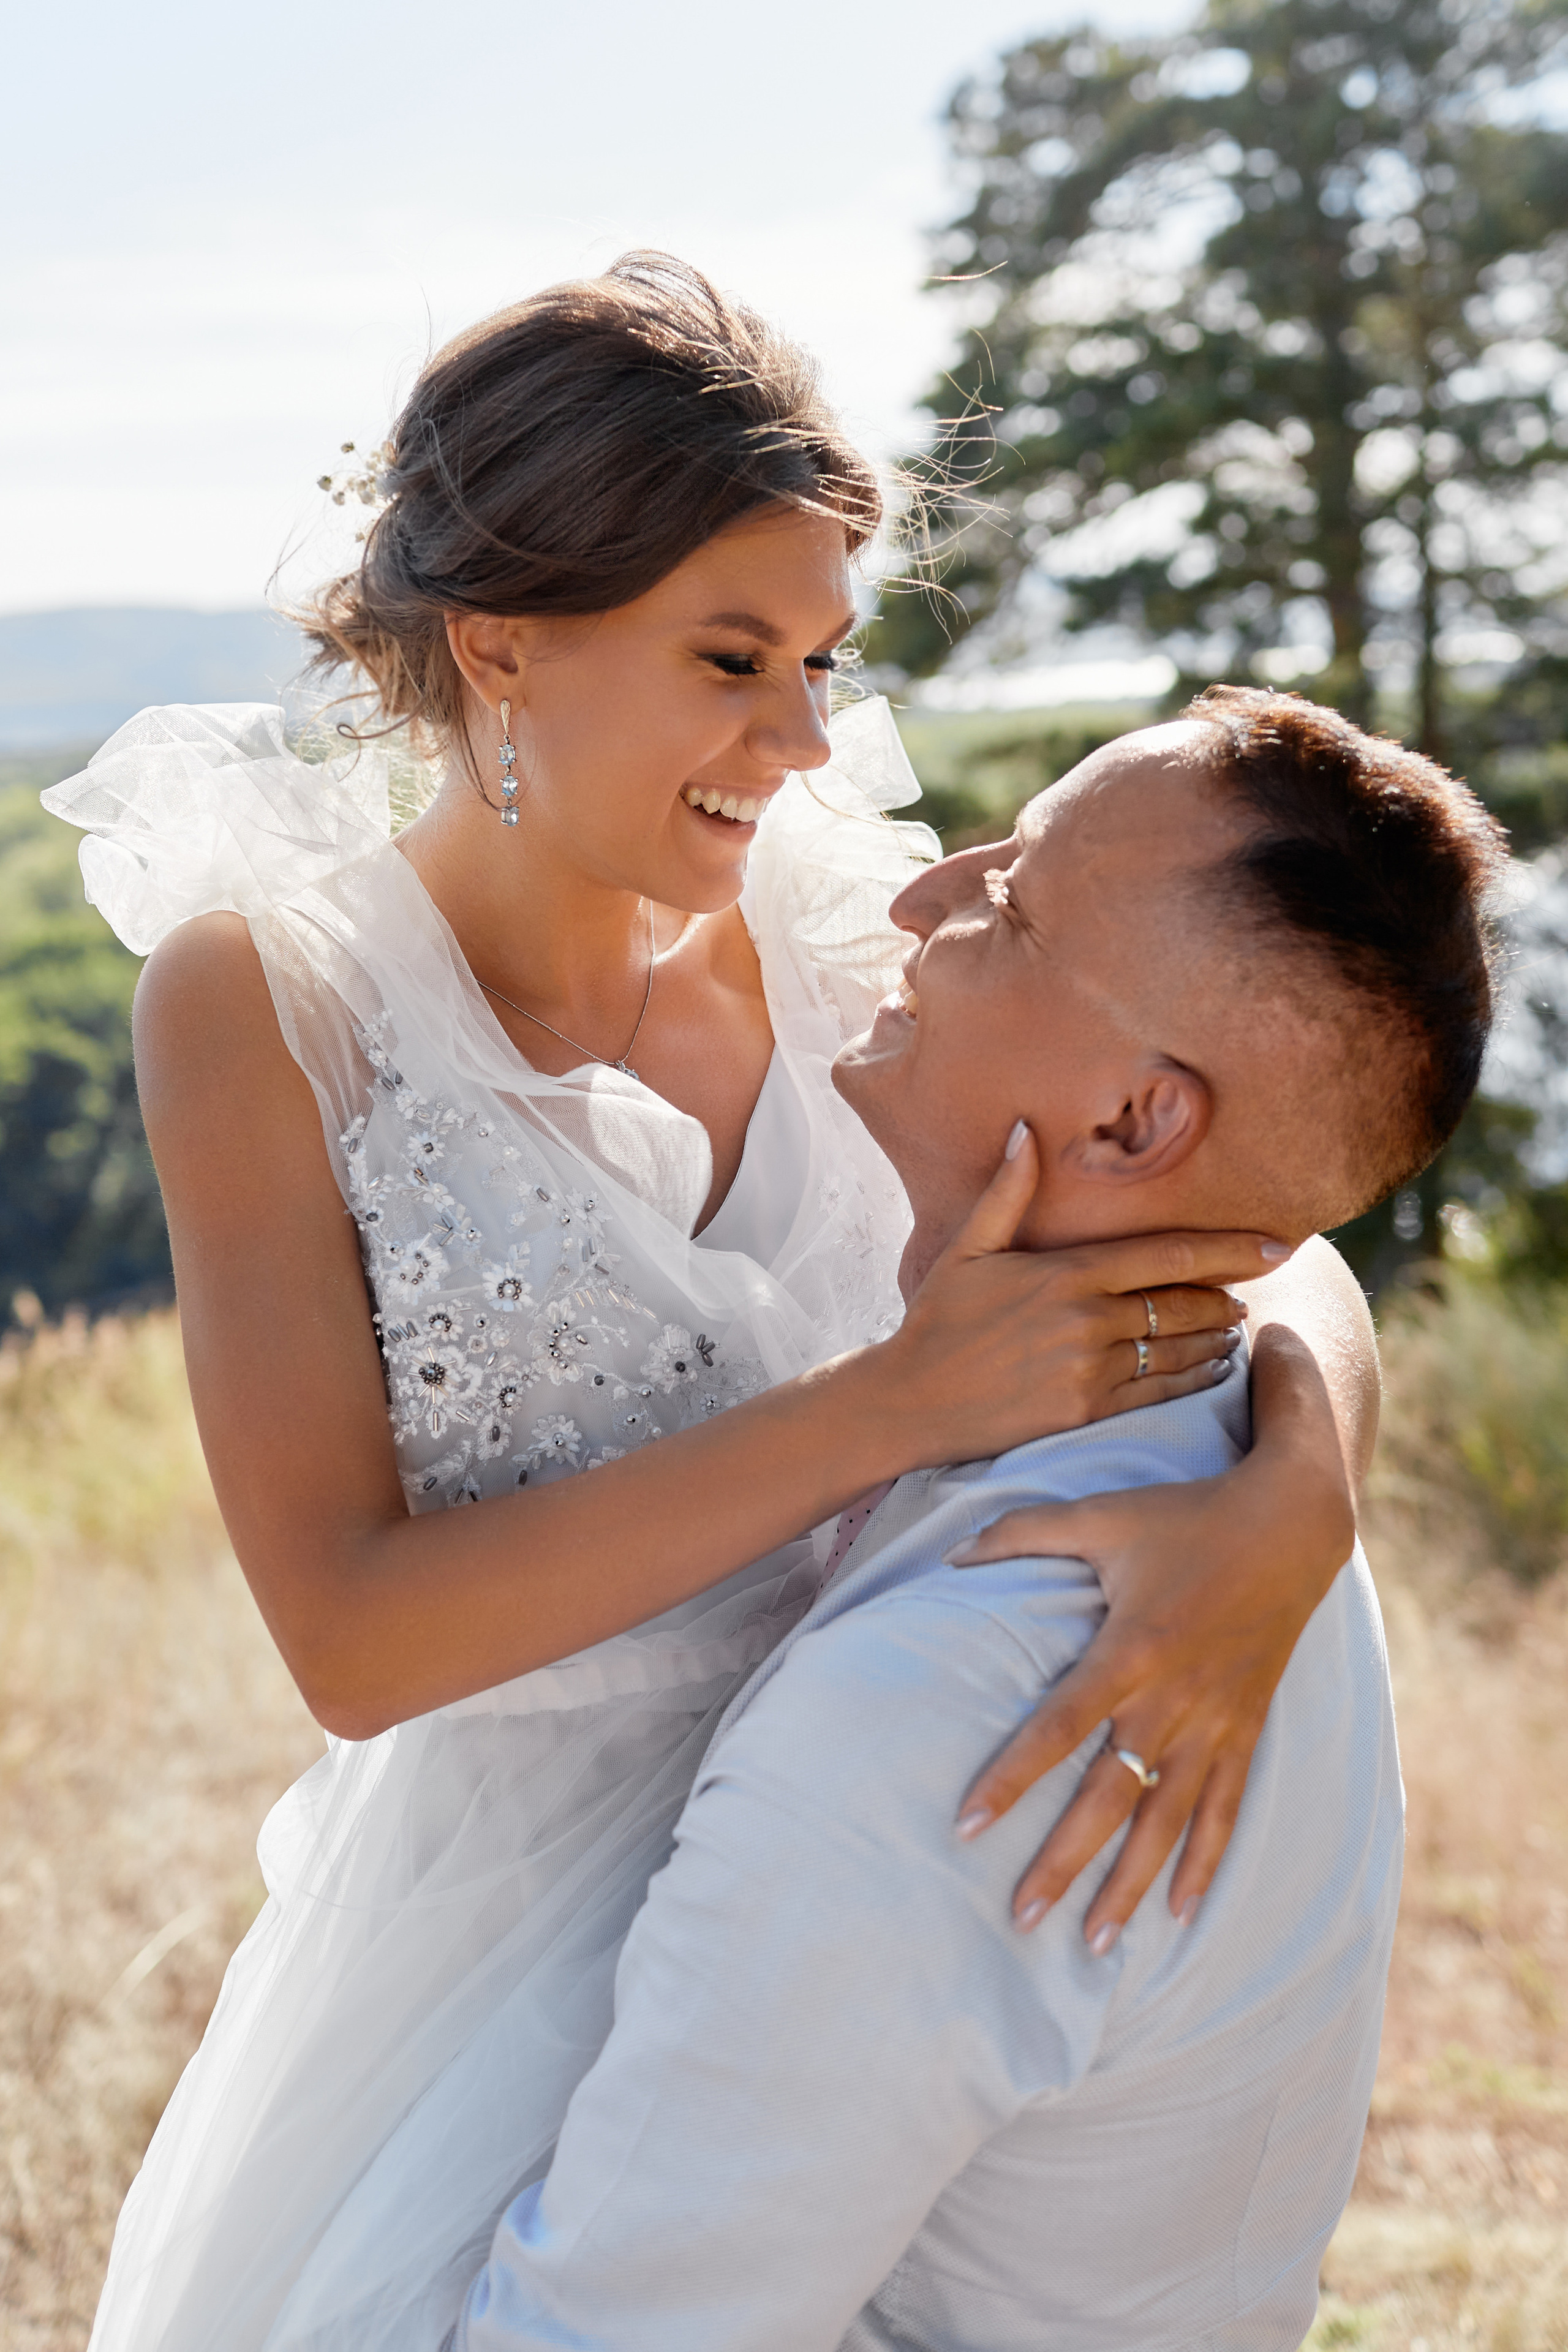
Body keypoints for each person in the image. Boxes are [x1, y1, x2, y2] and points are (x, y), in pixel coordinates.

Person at [43, 257, 1374, 2352]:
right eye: (735, 659)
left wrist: (1303, 1486)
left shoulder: (836, 912)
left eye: (823, 660)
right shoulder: (274, 1002)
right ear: (502, 642)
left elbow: (1247, 1199)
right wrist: (889, 1409)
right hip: (497, 1981)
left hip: (884, 1887)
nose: (809, 739)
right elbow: (352, 1640)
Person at [451, 687, 1505, 2352]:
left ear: (1133, 1124)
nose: (920, 895)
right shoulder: (1231, 1469)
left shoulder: (947, 1705)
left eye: (1008, 904)